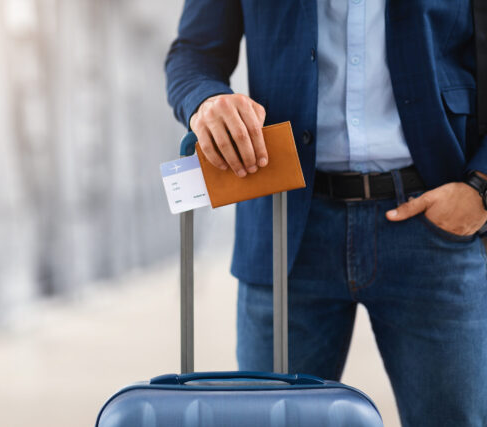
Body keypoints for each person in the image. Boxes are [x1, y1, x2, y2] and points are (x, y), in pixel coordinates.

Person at [165, 1, 487, 426]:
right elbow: (193, 52)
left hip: (433, 224)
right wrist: (205, 101)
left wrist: (480, 188)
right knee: (270, 420)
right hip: (287, 226)